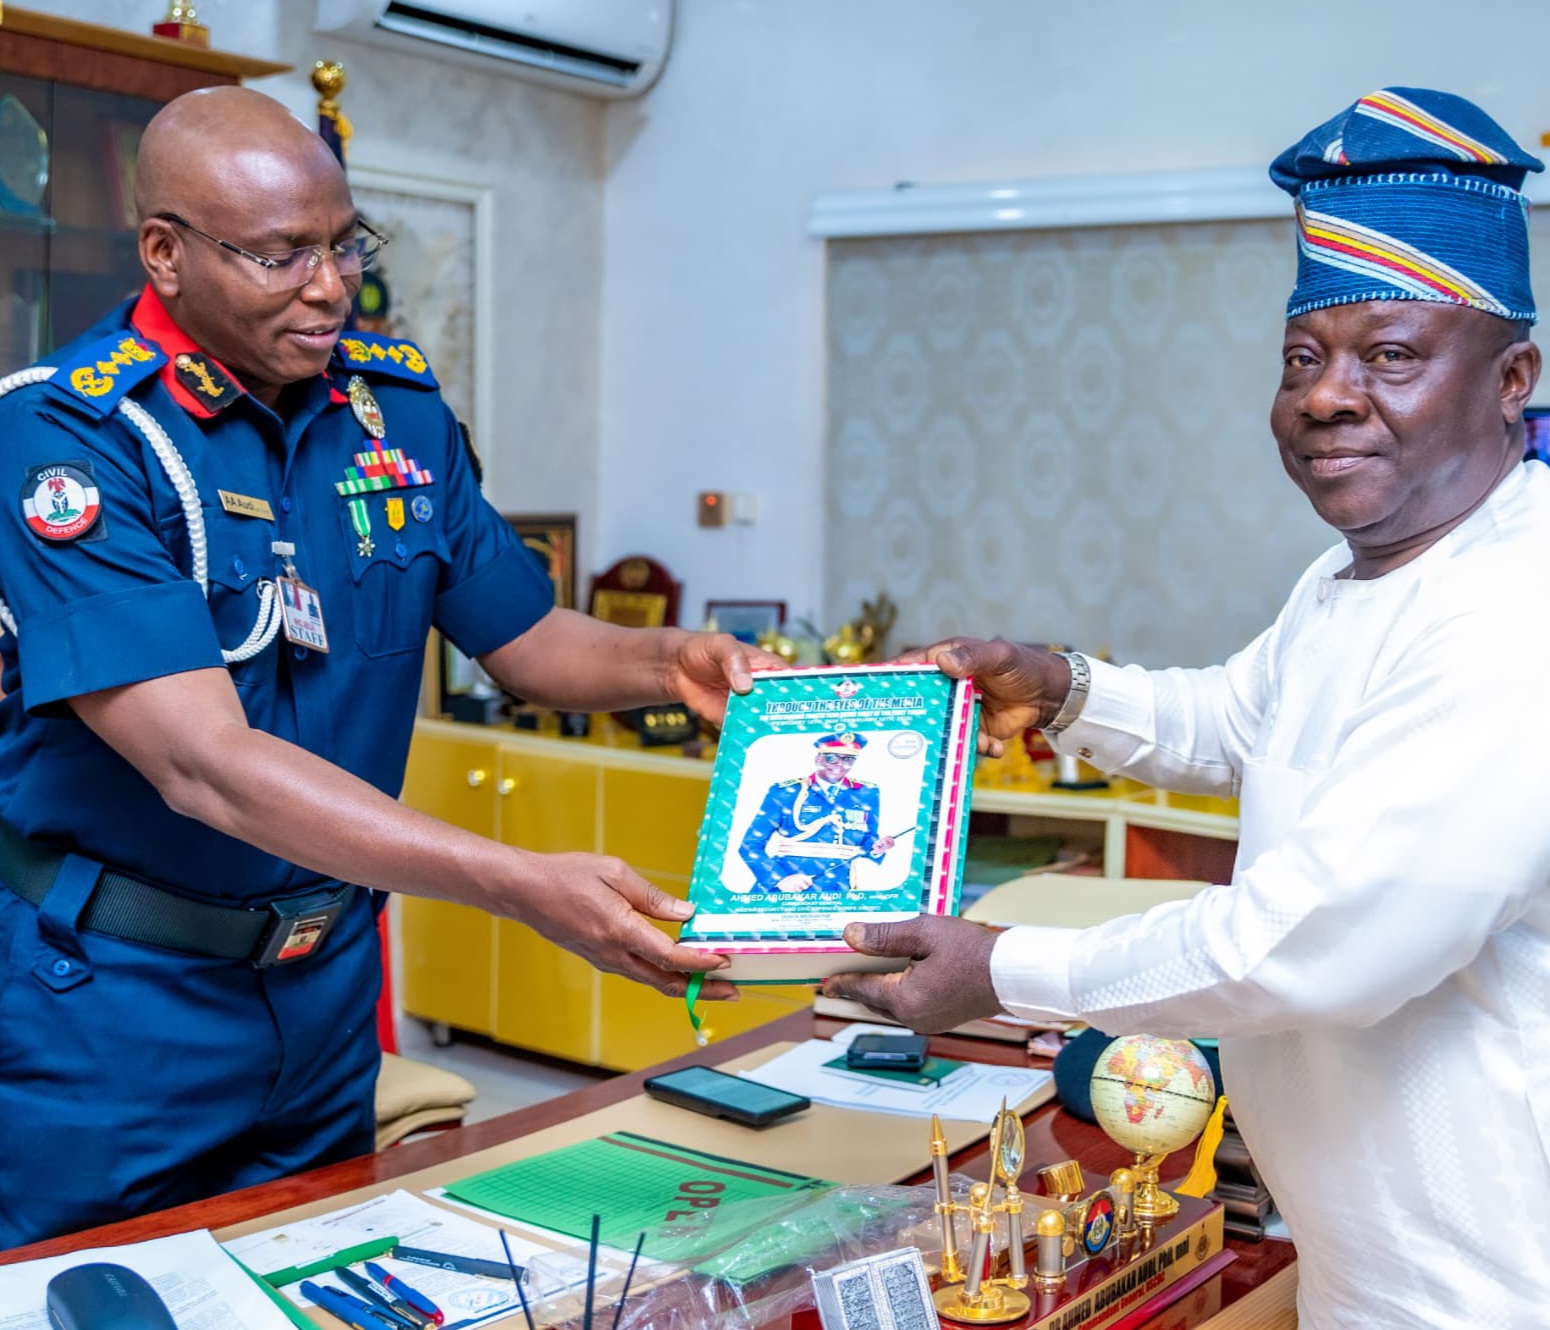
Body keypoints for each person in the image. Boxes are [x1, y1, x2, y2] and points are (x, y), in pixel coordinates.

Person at [826, 87, 1550, 1329]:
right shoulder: (1356, 573)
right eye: (1300, 358)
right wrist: (1062, 687)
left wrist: (1005, 969)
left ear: (1509, 380)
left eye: (1388, 356)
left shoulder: (1511, 608)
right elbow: (1239, 719)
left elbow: (1312, 941)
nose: (1324, 396)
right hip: (1363, 1262)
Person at [0, 86, 764, 1249]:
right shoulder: (69, 440)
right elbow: (207, 766)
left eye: (344, 242)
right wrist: (517, 881)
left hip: (321, 994)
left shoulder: (389, 413)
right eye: (279, 254)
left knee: (316, 1276)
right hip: (117, 1005)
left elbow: (526, 638)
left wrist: (669, 660)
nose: (328, 284)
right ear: (165, 252)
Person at [735, 732, 897, 892]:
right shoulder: (787, 792)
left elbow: (867, 837)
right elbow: (750, 845)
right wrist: (780, 879)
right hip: (789, 887)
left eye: (848, 759)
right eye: (831, 758)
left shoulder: (866, 792)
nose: (840, 764)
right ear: (817, 759)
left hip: (839, 889)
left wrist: (877, 848)